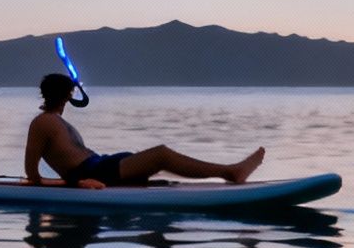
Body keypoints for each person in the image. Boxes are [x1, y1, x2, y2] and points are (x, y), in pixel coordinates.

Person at [23, 74, 265, 189]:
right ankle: (230, 172)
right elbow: (32, 174)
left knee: (157, 174)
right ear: (64, 95)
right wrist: (76, 184)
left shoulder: (58, 122)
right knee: (161, 155)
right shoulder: (42, 123)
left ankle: (227, 173)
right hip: (95, 172)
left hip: (103, 165)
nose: (69, 98)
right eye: (69, 94)